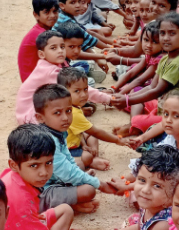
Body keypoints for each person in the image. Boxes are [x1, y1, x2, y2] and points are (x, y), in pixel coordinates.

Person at [1, 124, 103, 230]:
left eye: (48, 163)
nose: (44, 172)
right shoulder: (20, 200)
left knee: (65, 210)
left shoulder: (16, 178)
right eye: (34, 165)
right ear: (14, 165)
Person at [84, 145, 179, 230]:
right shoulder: (152, 205)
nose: (145, 190)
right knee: (134, 219)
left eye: (157, 186)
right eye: (142, 180)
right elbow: (140, 228)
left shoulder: (163, 224)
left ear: (175, 192)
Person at [34, 84, 120, 213]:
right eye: (57, 113)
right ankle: (68, 206)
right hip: (42, 191)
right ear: (40, 118)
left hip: (55, 179)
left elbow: (67, 160)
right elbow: (66, 172)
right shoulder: (47, 141)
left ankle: (70, 202)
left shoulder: (57, 131)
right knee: (88, 190)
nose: (65, 117)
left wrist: (82, 177)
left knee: (79, 164)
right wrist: (100, 184)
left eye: (68, 111)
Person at [111, 13, 179, 136]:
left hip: (175, 114)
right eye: (162, 33)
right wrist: (127, 99)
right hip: (162, 105)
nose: (166, 38)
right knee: (134, 94)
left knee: (140, 116)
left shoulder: (178, 62)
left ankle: (134, 125)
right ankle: (137, 122)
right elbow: (151, 87)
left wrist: (127, 101)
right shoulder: (165, 59)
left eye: (172, 33)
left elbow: (157, 91)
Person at [57, 68, 126, 171]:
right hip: (68, 149)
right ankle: (91, 161)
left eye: (85, 89)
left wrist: (84, 144)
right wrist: (117, 140)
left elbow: (77, 131)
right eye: (77, 91)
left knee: (90, 136)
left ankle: (94, 157)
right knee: (87, 155)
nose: (84, 94)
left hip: (74, 139)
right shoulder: (72, 112)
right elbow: (96, 132)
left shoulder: (72, 105)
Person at [18, 0, 60, 82]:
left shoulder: (44, 30)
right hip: (37, 84)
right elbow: (59, 61)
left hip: (41, 76)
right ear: (36, 15)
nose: (52, 15)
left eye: (55, 11)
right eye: (46, 12)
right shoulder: (40, 35)